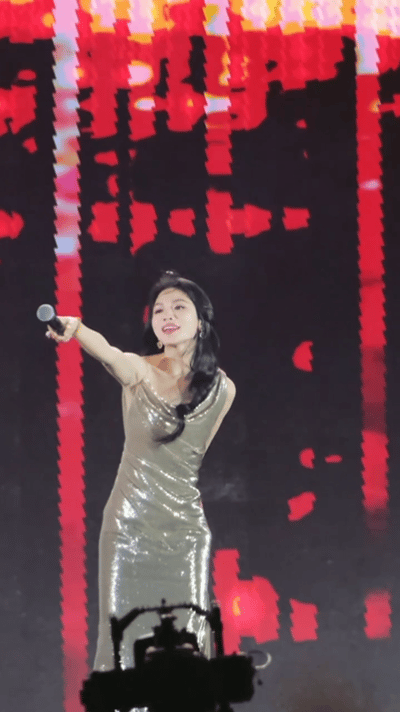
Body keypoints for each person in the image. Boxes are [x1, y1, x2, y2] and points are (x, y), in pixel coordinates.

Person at [46, 271, 236, 673]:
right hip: (129, 528)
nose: (167, 316)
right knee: (123, 644)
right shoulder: (139, 371)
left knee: (186, 647)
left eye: (179, 307)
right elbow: (110, 355)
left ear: (201, 321)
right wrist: (77, 330)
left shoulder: (222, 389)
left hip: (184, 532)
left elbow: (192, 456)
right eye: (159, 310)